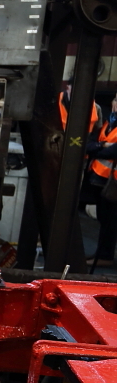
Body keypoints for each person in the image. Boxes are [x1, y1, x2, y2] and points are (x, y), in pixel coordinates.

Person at [84, 96, 117, 267]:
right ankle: (102, 254)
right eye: (116, 100)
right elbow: (90, 145)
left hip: (113, 181)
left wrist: (99, 148)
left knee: (110, 220)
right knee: (104, 219)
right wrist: (99, 147)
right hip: (100, 178)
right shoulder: (108, 123)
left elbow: (111, 152)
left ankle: (105, 256)